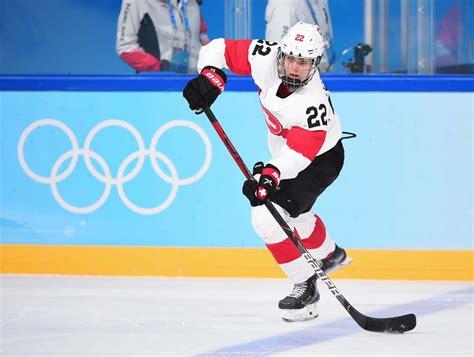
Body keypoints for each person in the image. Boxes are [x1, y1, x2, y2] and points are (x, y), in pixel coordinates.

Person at [182, 22, 351, 322]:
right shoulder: (265, 57)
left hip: (319, 160)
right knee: (297, 216)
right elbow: (216, 49)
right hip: (288, 155)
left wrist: (270, 175)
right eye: (291, 58)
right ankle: (330, 254)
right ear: (281, 53)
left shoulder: (313, 103)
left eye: (304, 62)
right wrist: (212, 75)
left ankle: (305, 285)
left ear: (315, 64)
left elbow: (299, 156)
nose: (296, 67)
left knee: (265, 216)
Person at [116, 0, 210, 73]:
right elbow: (125, 48)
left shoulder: (192, 2)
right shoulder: (136, 2)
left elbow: (202, 36)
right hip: (158, 85)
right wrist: (159, 68)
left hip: (196, 81)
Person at [265, 0, 335, 71]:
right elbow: (279, 61)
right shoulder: (284, 4)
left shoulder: (320, 1)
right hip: (301, 79)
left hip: (322, 74)